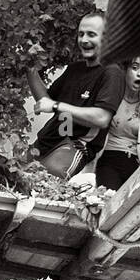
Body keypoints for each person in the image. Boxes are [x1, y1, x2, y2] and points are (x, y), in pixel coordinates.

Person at [26, 12, 124, 178]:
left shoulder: (112, 73)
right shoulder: (74, 69)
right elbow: (45, 101)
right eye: (81, 34)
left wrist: (56, 106)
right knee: (11, 179)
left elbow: (101, 118)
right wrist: (30, 69)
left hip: (76, 145)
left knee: (42, 182)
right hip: (46, 140)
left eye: (91, 34)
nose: (84, 40)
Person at [95, 54, 140, 190]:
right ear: (125, 70)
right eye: (134, 68)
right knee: (108, 201)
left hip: (136, 165)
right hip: (108, 160)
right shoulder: (109, 98)